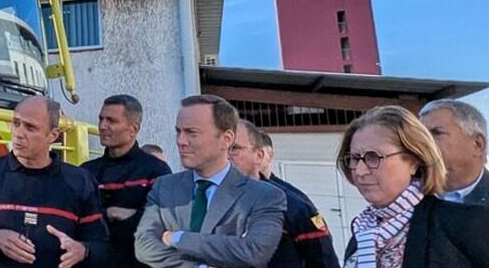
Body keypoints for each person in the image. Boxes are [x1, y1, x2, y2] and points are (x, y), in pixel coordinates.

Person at [0, 96, 112, 267]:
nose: (18, 133)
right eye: (16, 123)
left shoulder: (80, 181)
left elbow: (103, 248)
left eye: (30, 127)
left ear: (52, 136)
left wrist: (83, 250)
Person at [135, 95, 286, 268]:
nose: (181, 141)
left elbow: (253, 252)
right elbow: (144, 246)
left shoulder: (264, 196)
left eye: (192, 133)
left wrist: (177, 237)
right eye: (178, 131)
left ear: (226, 139)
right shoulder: (165, 187)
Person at [337, 105, 489, 267]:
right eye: (354, 158)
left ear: (414, 160)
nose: (360, 171)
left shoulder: (465, 224)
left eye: (374, 157)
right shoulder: (364, 229)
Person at [231, 120, 339, 268]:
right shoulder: (196, 203)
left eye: (234, 148)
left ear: (259, 155)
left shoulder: (291, 204)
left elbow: (323, 259)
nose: (225, 156)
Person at [81, 94, 171, 267]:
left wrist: (132, 219)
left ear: (133, 128)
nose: (102, 126)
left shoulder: (156, 170)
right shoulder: (85, 171)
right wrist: (114, 214)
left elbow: (158, 225)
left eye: (111, 121)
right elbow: (80, 222)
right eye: (101, 119)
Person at [419, 99, 489, 206]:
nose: (422, 141)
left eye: (436, 133)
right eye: (419, 134)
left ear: (477, 144)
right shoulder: (402, 195)